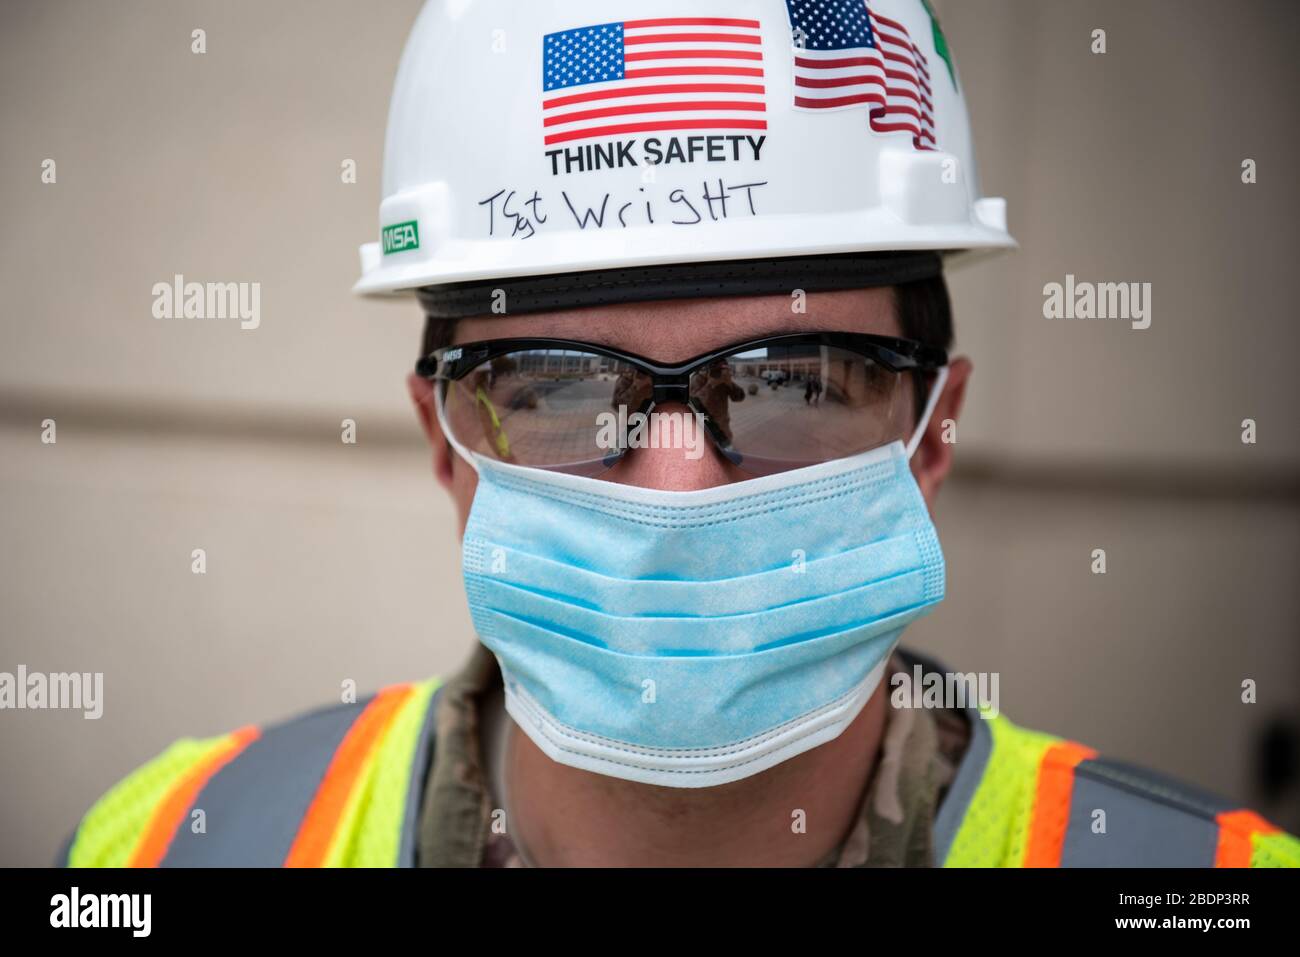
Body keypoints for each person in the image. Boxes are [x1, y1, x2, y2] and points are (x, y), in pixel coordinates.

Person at [60, 0, 1298, 868]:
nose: (678, 483)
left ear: (931, 433)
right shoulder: (170, 848)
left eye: (795, 383)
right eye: (555, 385)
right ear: (447, 446)